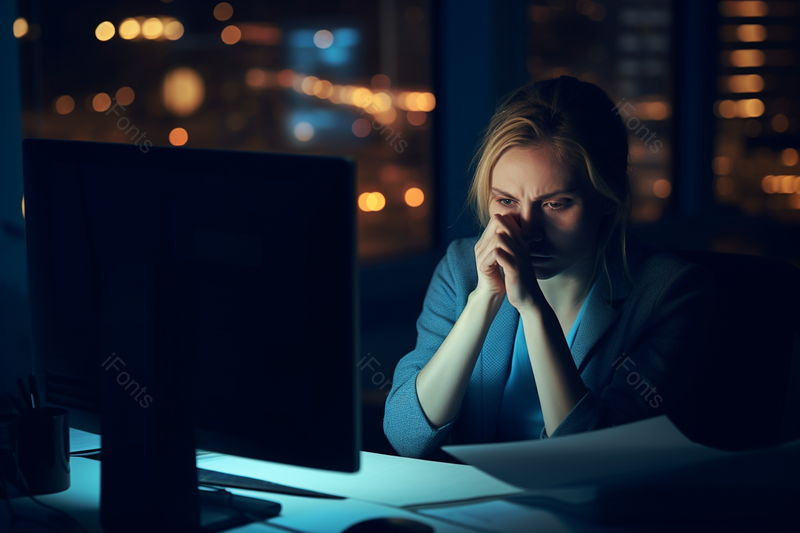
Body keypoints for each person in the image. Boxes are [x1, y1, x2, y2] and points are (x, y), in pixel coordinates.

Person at [383, 76, 715, 459]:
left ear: (609, 197)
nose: (528, 232)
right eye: (506, 201)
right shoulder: (462, 269)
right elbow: (405, 435)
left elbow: (599, 461)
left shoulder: (672, 293)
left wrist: (534, 310)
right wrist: (483, 301)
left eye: (556, 204)